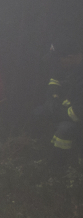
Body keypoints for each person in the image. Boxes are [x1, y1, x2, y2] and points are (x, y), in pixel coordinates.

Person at [36, 34, 82, 167]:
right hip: (64, 110)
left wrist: (56, 111)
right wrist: (52, 98)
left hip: (76, 119)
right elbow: (54, 81)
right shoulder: (67, 65)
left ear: (70, 57)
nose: (56, 63)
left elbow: (79, 113)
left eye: (58, 60)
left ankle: (63, 173)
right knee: (37, 113)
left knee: (65, 129)